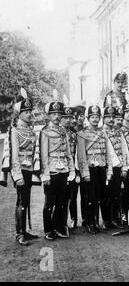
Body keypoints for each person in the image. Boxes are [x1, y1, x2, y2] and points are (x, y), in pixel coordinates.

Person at [40, 100, 75, 240]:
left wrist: (71, 170)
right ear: (48, 116)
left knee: (61, 201)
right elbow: (43, 155)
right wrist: (45, 175)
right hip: (52, 170)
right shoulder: (45, 132)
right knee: (49, 202)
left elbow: (68, 154)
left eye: (58, 114)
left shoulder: (63, 132)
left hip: (63, 170)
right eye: (53, 114)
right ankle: (48, 230)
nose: (57, 117)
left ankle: (58, 227)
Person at [77, 105, 113, 234]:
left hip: (101, 168)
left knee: (100, 196)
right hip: (90, 169)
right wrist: (84, 172)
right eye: (92, 117)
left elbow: (107, 153)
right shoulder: (82, 134)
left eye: (97, 117)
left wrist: (109, 169)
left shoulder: (102, 133)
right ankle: (90, 222)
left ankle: (97, 221)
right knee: (90, 197)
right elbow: (81, 156)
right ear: (88, 118)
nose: (95, 119)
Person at [9, 97, 39, 245]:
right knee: (21, 200)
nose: (28, 114)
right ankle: (19, 234)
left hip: (29, 169)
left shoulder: (30, 131)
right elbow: (14, 154)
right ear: (18, 114)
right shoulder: (14, 130)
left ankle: (24, 231)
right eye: (25, 111)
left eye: (29, 111)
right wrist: (17, 174)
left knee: (26, 200)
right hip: (20, 169)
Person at [102, 106, 129, 229]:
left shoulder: (119, 131)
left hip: (118, 166)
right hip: (107, 167)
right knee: (106, 195)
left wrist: (124, 166)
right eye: (109, 117)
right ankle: (106, 220)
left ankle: (115, 218)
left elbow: (124, 150)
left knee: (116, 193)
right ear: (104, 118)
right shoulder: (102, 132)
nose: (111, 119)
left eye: (113, 117)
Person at [60, 105, 78, 230]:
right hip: (60, 168)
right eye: (65, 117)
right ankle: (61, 222)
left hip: (72, 168)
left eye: (69, 117)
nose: (67, 120)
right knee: (61, 197)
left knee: (73, 196)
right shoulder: (57, 132)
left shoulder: (74, 134)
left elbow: (76, 153)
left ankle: (73, 219)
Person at [70, 103, 87, 227]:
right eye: (78, 115)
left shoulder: (86, 131)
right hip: (72, 167)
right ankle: (73, 219)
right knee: (72, 196)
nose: (81, 118)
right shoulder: (70, 131)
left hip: (85, 166)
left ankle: (86, 219)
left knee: (85, 195)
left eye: (83, 115)